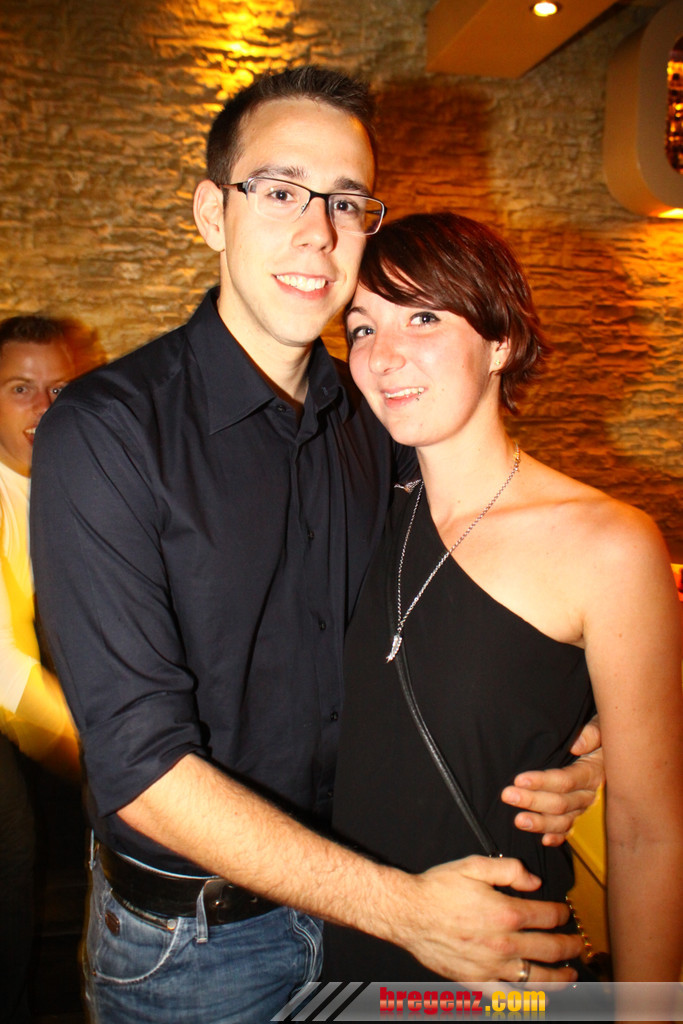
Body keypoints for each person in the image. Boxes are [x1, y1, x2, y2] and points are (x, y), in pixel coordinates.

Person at [30, 68, 602, 1023]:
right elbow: (140, 769)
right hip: (200, 948)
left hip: (374, 905)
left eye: (345, 201)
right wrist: (407, 912)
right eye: (280, 191)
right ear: (212, 214)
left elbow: (498, 578)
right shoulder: (106, 432)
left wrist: (594, 741)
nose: (318, 232)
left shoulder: (378, 418)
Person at [322, 211, 683, 983]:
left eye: (422, 317)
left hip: (493, 985)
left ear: (501, 341)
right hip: (333, 963)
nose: (383, 355)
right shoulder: (349, 518)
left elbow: (648, 832)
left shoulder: (608, 544)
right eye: (362, 328)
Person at [0, 314, 81, 1023]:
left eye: (60, 388)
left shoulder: (56, 483)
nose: (45, 407)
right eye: (20, 388)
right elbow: (5, 669)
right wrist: (95, 757)